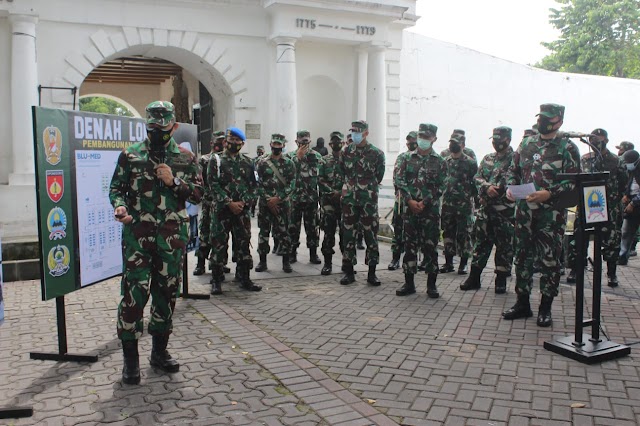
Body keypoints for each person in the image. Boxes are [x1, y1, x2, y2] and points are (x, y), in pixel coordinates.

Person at [110, 101, 204, 385]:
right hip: (138, 239)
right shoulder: (131, 156)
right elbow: (117, 189)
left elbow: (199, 195)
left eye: (162, 127)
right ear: (146, 126)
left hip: (171, 240)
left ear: (173, 127)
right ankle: (130, 363)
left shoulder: (186, 159)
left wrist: (173, 181)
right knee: (133, 296)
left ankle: (159, 354)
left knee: (166, 294)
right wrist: (120, 207)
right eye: (151, 127)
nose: (157, 132)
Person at [503, 103, 580, 327]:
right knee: (522, 257)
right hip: (524, 213)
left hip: (551, 215)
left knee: (549, 261)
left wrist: (549, 193)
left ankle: (545, 307)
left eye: (548, 119)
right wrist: (510, 187)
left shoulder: (568, 147)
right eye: (540, 117)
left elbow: (574, 182)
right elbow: (513, 169)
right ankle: (522, 303)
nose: (542, 122)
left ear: (559, 122)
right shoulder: (527, 143)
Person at [565, 129, 627, 286]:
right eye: (593, 140)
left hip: (609, 207)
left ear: (606, 140)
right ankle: (575, 269)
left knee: (612, 241)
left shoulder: (616, 160)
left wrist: (614, 199)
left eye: (599, 139)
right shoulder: (585, 160)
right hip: (586, 207)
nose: (595, 143)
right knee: (577, 238)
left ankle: (611, 273)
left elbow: (623, 182)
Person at [395, 123, 447, 297]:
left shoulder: (439, 161)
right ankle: (409, 283)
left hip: (430, 211)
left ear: (434, 139)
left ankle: (431, 285)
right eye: (421, 136)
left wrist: (424, 202)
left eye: (427, 137)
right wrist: (409, 200)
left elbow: (441, 185)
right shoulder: (406, 158)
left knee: (430, 247)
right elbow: (399, 180)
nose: (423, 140)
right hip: (410, 210)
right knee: (409, 246)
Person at [461, 126, 515, 294]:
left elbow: (517, 179)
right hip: (486, 211)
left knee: (504, 246)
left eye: (499, 139)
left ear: (508, 140)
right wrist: (486, 187)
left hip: (505, 211)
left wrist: (498, 188)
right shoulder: (487, 158)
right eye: (494, 139)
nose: (496, 142)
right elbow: (477, 177)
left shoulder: (516, 159)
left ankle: (500, 280)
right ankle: (474, 277)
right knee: (481, 244)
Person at [208, 127, 262, 294]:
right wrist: (229, 202)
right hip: (222, 211)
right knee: (218, 245)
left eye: (237, 142)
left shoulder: (248, 162)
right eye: (231, 141)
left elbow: (254, 186)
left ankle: (244, 278)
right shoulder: (216, 160)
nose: (234, 144)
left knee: (243, 244)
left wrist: (243, 203)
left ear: (242, 144)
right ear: (226, 142)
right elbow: (212, 185)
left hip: (241, 212)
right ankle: (216, 280)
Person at [339, 120, 386, 286]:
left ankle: (372, 273)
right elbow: (342, 173)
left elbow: (379, 175)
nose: (355, 135)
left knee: (370, 236)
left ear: (366, 133)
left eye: (358, 132)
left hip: (368, 202)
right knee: (348, 236)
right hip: (350, 201)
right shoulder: (346, 152)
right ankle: (349, 272)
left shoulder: (377, 154)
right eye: (353, 132)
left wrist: (367, 189)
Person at [255, 134, 296, 273]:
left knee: (284, 233)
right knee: (264, 232)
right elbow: (257, 183)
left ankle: (286, 262)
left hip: (282, 204)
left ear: (283, 146)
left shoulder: (289, 163)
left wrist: (278, 198)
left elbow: (292, 184)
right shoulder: (262, 162)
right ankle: (262, 262)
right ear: (270, 144)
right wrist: (268, 200)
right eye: (274, 144)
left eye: (279, 145)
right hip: (265, 204)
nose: (276, 147)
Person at [439, 134, 478, 275]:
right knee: (448, 233)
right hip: (448, 204)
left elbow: (476, 184)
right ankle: (448, 263)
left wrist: (474, 201)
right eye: (451, 143)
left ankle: (463, 264)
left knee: (465, 233)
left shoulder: (470, 163)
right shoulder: (445, 161)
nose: (452, 145)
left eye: (455, 143)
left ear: (462, 145)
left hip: (464, 204)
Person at [287, 130, 324, 265]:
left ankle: (313, 253)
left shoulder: (317, 156)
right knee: (293, 227)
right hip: (295, 199)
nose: (304, 144)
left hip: (311, 199)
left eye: (306, 141)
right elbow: (288, 173)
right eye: (301, 141)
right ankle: (292, 252)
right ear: (296, 141)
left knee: (312, 227)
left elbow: (322, 177)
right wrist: (298, 158)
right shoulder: (290, 157)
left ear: (310, 141)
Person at [193, 130, 226, 276]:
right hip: (208, 202)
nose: (220, 145)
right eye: (217, 142)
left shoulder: (225, 160)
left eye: (222, 142)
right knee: (205, 233)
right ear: (211, 143)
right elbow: (200, 180)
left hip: (222, 203)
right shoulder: (204, 159)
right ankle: (200, 264)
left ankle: (220, 263)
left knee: (221, 235)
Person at [389, 131, 418, 270]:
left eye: (413, 141)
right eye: (408, 142)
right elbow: (397, 179)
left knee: (416, 232)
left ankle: (416, 261)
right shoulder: (402, 157)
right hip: (402, 201)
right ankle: (395, 259)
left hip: (417, 202)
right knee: (398, 230)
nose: (410, 144)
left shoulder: (424, 159)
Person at [319, 131, 346, 275]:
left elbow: (351, 179)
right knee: (329, 232)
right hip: (329, 201)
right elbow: (320, 179)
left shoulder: (347, 160)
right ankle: (327, 263)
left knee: (345, 233)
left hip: (344, 201)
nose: (336, 144)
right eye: (334, 141)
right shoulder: (324, 160)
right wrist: (332, 192)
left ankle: (346, 263)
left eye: (339, 141)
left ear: (343, 143)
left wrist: (341, 193)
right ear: (330, 144)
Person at [618, 150, 640, 265]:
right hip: (631, 202)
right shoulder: (630, 170)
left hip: (636, 203)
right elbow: (628, 183)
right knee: (626, 231)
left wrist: (634, 203)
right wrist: (626, 195)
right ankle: (622, 256)